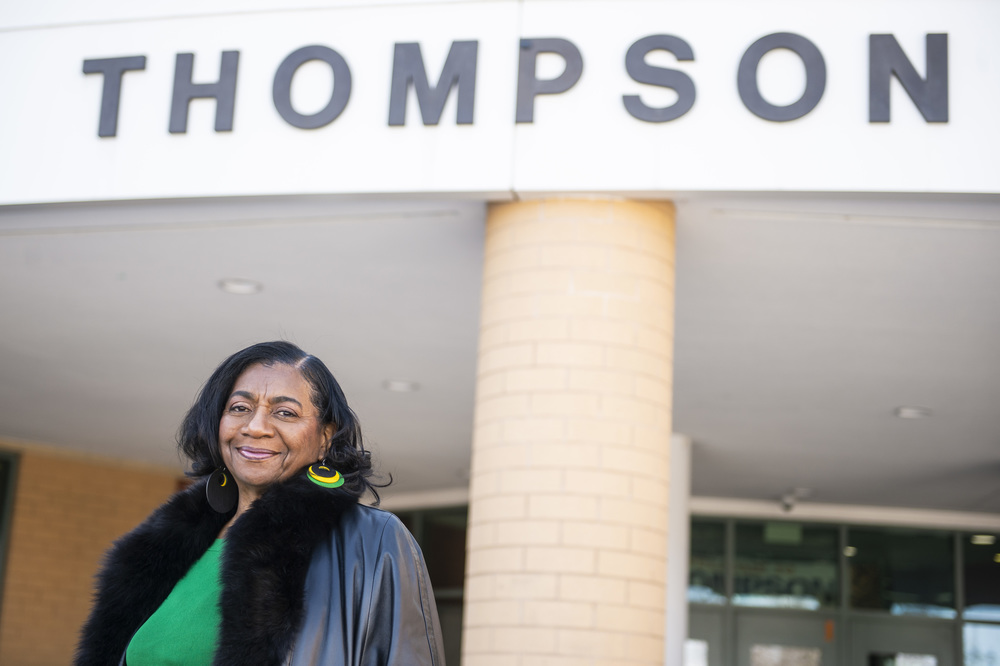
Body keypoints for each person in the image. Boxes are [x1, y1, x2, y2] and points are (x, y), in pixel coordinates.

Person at [74, 341, 445, 665]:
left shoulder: (375, 542)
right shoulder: (167, 546)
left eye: (285, 412)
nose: (255, 426)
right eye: (239, 407)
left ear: (325, 438)